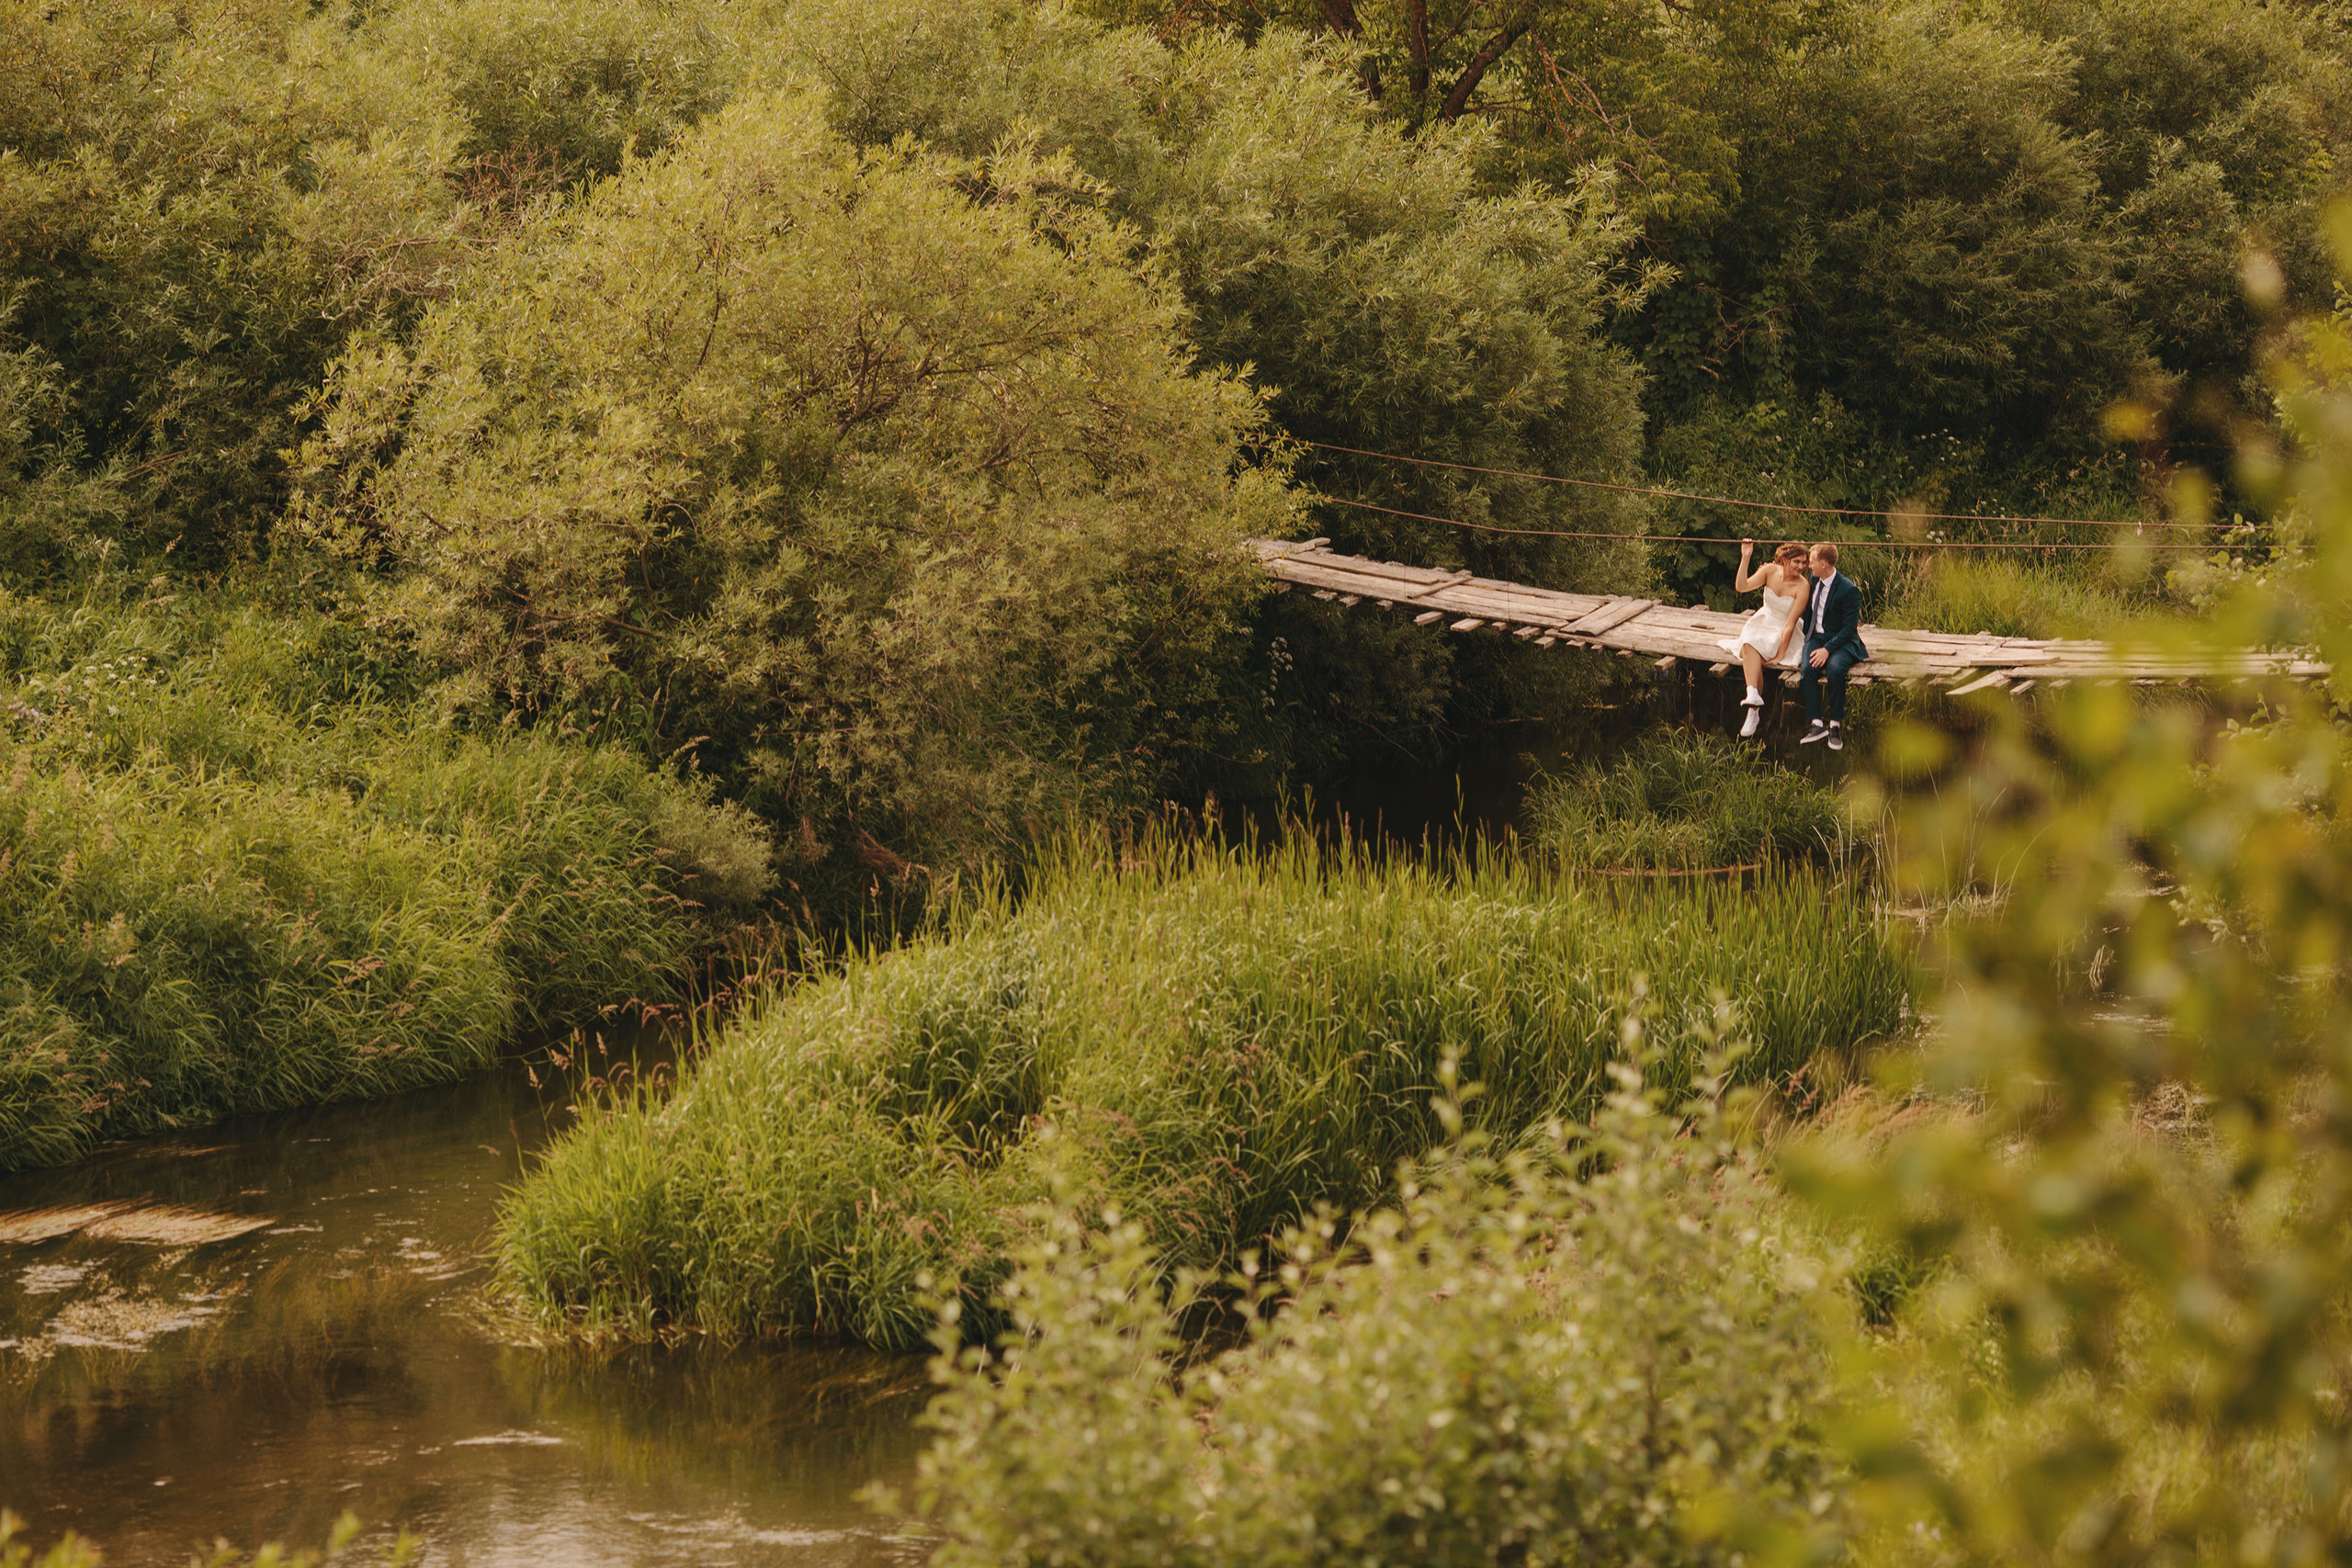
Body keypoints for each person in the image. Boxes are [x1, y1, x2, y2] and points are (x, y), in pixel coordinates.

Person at [1718, 539, 1810, 739]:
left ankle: (1753, 712)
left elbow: (1790, 623)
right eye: (1797, 562)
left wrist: (1781, 654)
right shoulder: (1769, 570)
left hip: (1783, 629)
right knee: (1749, 643)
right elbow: (1741, 586)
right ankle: (1753, 698)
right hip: (1763, 619)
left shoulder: (1803, 586)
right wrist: (1746, 557)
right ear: (1784, 560)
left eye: (1804, 563)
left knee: (1755, 648)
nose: (1801, 567)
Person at [1797, 542, 1868, 751]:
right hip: (1816, 637)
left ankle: (1835, 725)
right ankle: (1816, 724)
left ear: (1824, 563)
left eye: (1811, 562)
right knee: (1808, 669)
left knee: (1836, 669)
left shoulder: (1848, 590)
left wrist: (1828, 649)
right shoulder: (1813, 579)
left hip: (1841, 641)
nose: (1809, 565)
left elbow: (1849, 629)